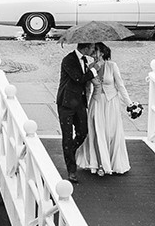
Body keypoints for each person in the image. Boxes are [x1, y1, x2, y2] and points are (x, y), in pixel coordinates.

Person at [75, 42, 131, 176]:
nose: (93, 54)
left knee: (111, 133)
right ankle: (99, 164)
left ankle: (112, 162)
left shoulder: (112, 66)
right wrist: (84, 105)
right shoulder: (90, 67)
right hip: (96, 103)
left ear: (103, 52)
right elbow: (87, 89)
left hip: (111, 102)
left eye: (96, 51)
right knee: (97, 132)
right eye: (93, 51)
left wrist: (129, 104)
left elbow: (120, 85)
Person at [56, 42, 95, 183]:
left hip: (79, 103)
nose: (93, 50)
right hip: (66, 103)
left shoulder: (85, 60)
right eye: (92, 47)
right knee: (67, 136)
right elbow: (78, 78)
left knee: (83, 132)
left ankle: (69, 152)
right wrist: (94, 71)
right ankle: (71, 170)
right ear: (86, 47)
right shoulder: (69, 60)